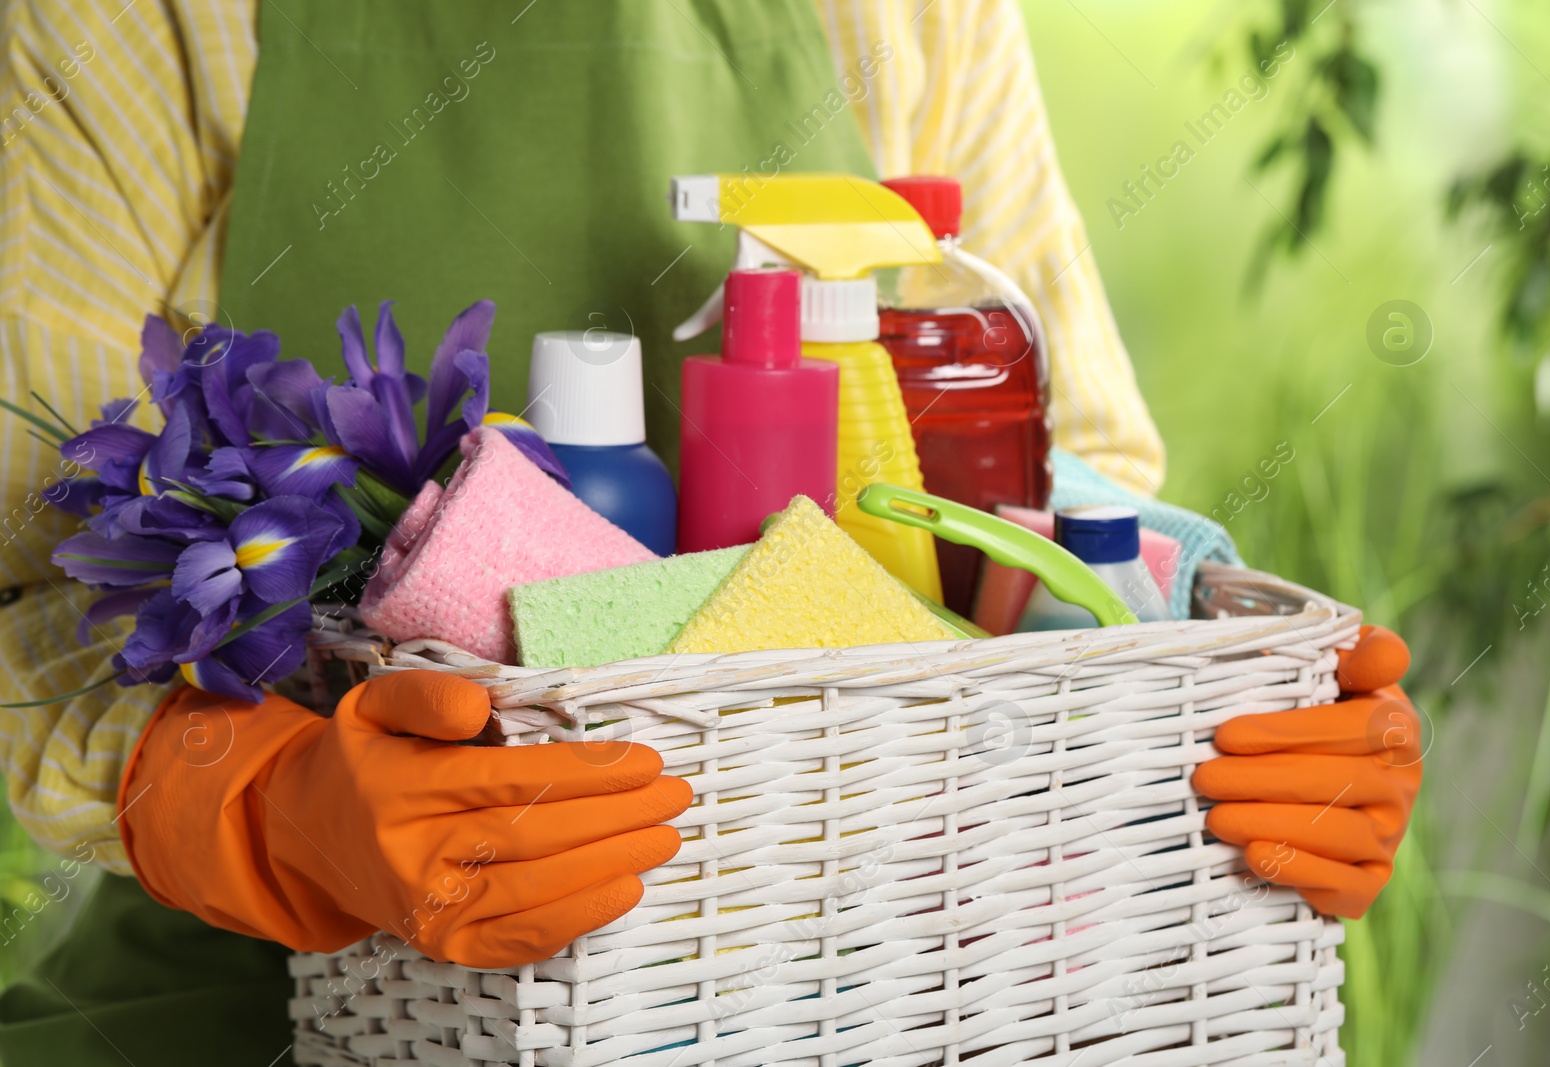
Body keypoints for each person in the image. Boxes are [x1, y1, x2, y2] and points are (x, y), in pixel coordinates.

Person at [0, 1, 1421, 1063]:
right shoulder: (141, 19)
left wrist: (1208, 701)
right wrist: (272, 807)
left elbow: (1069, 478)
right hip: (286, 999)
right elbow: (28, 579)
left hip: (894, 978)